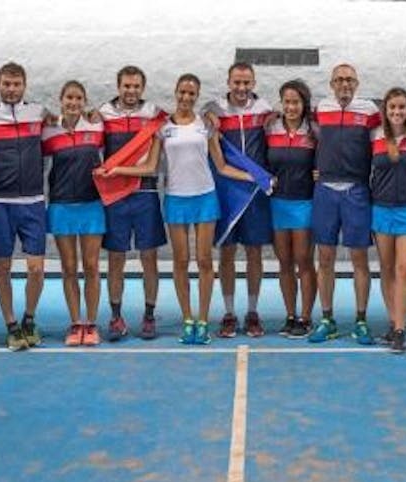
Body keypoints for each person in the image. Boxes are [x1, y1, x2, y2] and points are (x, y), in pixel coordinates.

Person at [100, 74, 256, 345]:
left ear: (197, 96)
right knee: (181, 263)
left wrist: (254, 176)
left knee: (205, 261)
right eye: (182, 92)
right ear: (175, 92)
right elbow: (149, 167)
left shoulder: (206, 126)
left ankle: (203, 321)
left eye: (191, 93)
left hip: (205, 199)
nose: (186, 97)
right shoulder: (162, 128)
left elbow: (221, 166)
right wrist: (116, 170)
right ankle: (188, 321)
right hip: (175, 200)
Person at [0, 62, 49, 351]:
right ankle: (11, 325)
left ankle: (30, 319)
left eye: (16, 84)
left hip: (33, 203)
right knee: (1, 268)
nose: (11, 89)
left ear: (25, 85)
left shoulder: (39, 114)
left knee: (36, 269)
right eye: (6, 84)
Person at [309, 63, 381, 345]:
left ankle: (361, 321)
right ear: (331, 84)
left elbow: (390, 133)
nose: (344, 84)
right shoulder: (320, 110)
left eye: (349, 80)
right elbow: (312, 141)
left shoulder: (370, 112)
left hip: (357, 191)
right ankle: (327, 319)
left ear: (357, 83)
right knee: (324, 259)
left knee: (359, 260)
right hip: (325, 191)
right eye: (339, 80)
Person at [202, 62, 275, 338]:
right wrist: (207, 112)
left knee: (254, 252)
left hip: (256, 195)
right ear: (228, 81)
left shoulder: (264, 109)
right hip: (227, 190)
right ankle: (229, 313)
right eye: (237, 83)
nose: (242, 88)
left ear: (253, 83)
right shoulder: (216, 109)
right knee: (228, 253)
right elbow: (201, 115)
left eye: (247, 83)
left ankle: (253, 312)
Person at [98, 66, 168, 341]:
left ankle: (149, 316)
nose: (131, 91)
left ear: (143, 87)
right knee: (115, 259)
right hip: (114, 198)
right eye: (126, 86)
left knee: (149, 258)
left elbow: (153, 164)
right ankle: (116, 317)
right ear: (118, 86)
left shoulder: (153, 114)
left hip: (146, 195)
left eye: (136, 86)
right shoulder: (103, 114)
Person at [44, 81, 106, 346]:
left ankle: (91, 324)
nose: (74, 102)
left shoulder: (97, 126)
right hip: (61, 206)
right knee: (69, 268)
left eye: (79, 98)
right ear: (61, 99)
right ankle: (75, 324)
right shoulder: (48, 131)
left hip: (92, 205)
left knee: (91, 267)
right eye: (69, 97)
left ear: (84, 101)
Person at [371, 87, 406, 354]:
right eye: (392, 107)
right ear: (385, 110)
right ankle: (393, 323)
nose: (396, 112)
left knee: (404, 269)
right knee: (387, 267)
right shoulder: (375, 136)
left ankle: (401, 329)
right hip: (381, 210)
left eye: (401, 107)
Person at [265, 80, 317, 338]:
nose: (291, 106)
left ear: (304, 104)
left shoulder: (314, 130)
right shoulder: (270, 127)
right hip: (277, 204)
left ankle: (306, 317)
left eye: (296, 102)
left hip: (305, 204)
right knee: (284, 263)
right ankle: (290, 315)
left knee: (304, 262)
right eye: (286, 102)